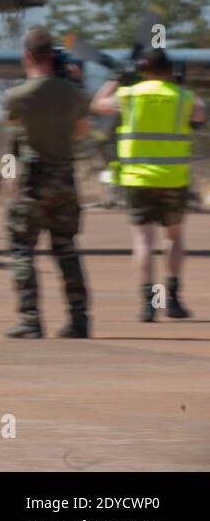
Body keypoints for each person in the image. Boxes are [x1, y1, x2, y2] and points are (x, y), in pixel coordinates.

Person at [92, 47, 205, 322]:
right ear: (170, 70)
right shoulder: (182, 96)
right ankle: (173, 300)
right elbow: (201, 114)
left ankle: (148, 304)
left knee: (143, 240)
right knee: (174, 238)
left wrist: (116, 77)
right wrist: (181, 86)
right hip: (173, 178)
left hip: (137, 179)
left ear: (142, 70)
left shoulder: (129, 95)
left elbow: (98, 104)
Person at [2, 28, 92, 338]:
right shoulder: (75, 94)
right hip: (65, 178)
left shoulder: (16, 97)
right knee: (66, 248)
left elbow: (14, 132)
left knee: (22, 248)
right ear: (52, 55)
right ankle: (79, 319)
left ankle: (30, 320)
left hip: (33, 181)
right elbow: (82, 132)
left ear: (27, 55)